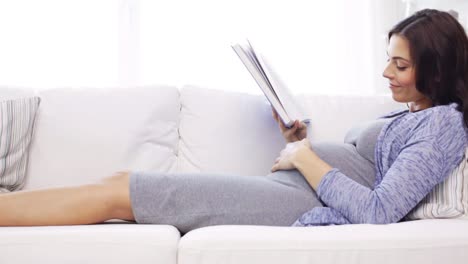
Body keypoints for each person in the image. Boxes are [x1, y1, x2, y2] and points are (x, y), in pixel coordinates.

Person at [0, 9, 467, 234]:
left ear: (437, 68)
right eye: (388, 61)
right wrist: (298, 139)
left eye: (400, 66)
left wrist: (305, 159)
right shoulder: (415, 113)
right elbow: (365, 167)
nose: (386, 74)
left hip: (295, 207)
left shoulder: (444, 126)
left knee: (124, 193)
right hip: (291, 191)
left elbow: (379, 211)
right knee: (123, 184)